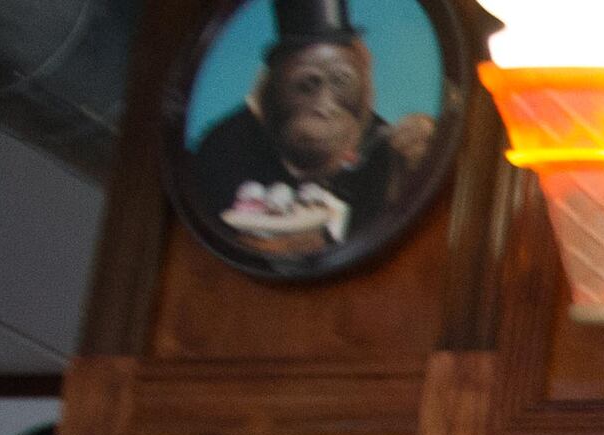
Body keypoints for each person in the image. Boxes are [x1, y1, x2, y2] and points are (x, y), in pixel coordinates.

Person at [184, 0, 441, 265]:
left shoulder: (382, 148)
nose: (324, 105)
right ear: (270, 92)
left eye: (341, 82)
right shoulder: (226, 147)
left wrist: (418, 168)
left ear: (364, 89)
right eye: (308, 84)